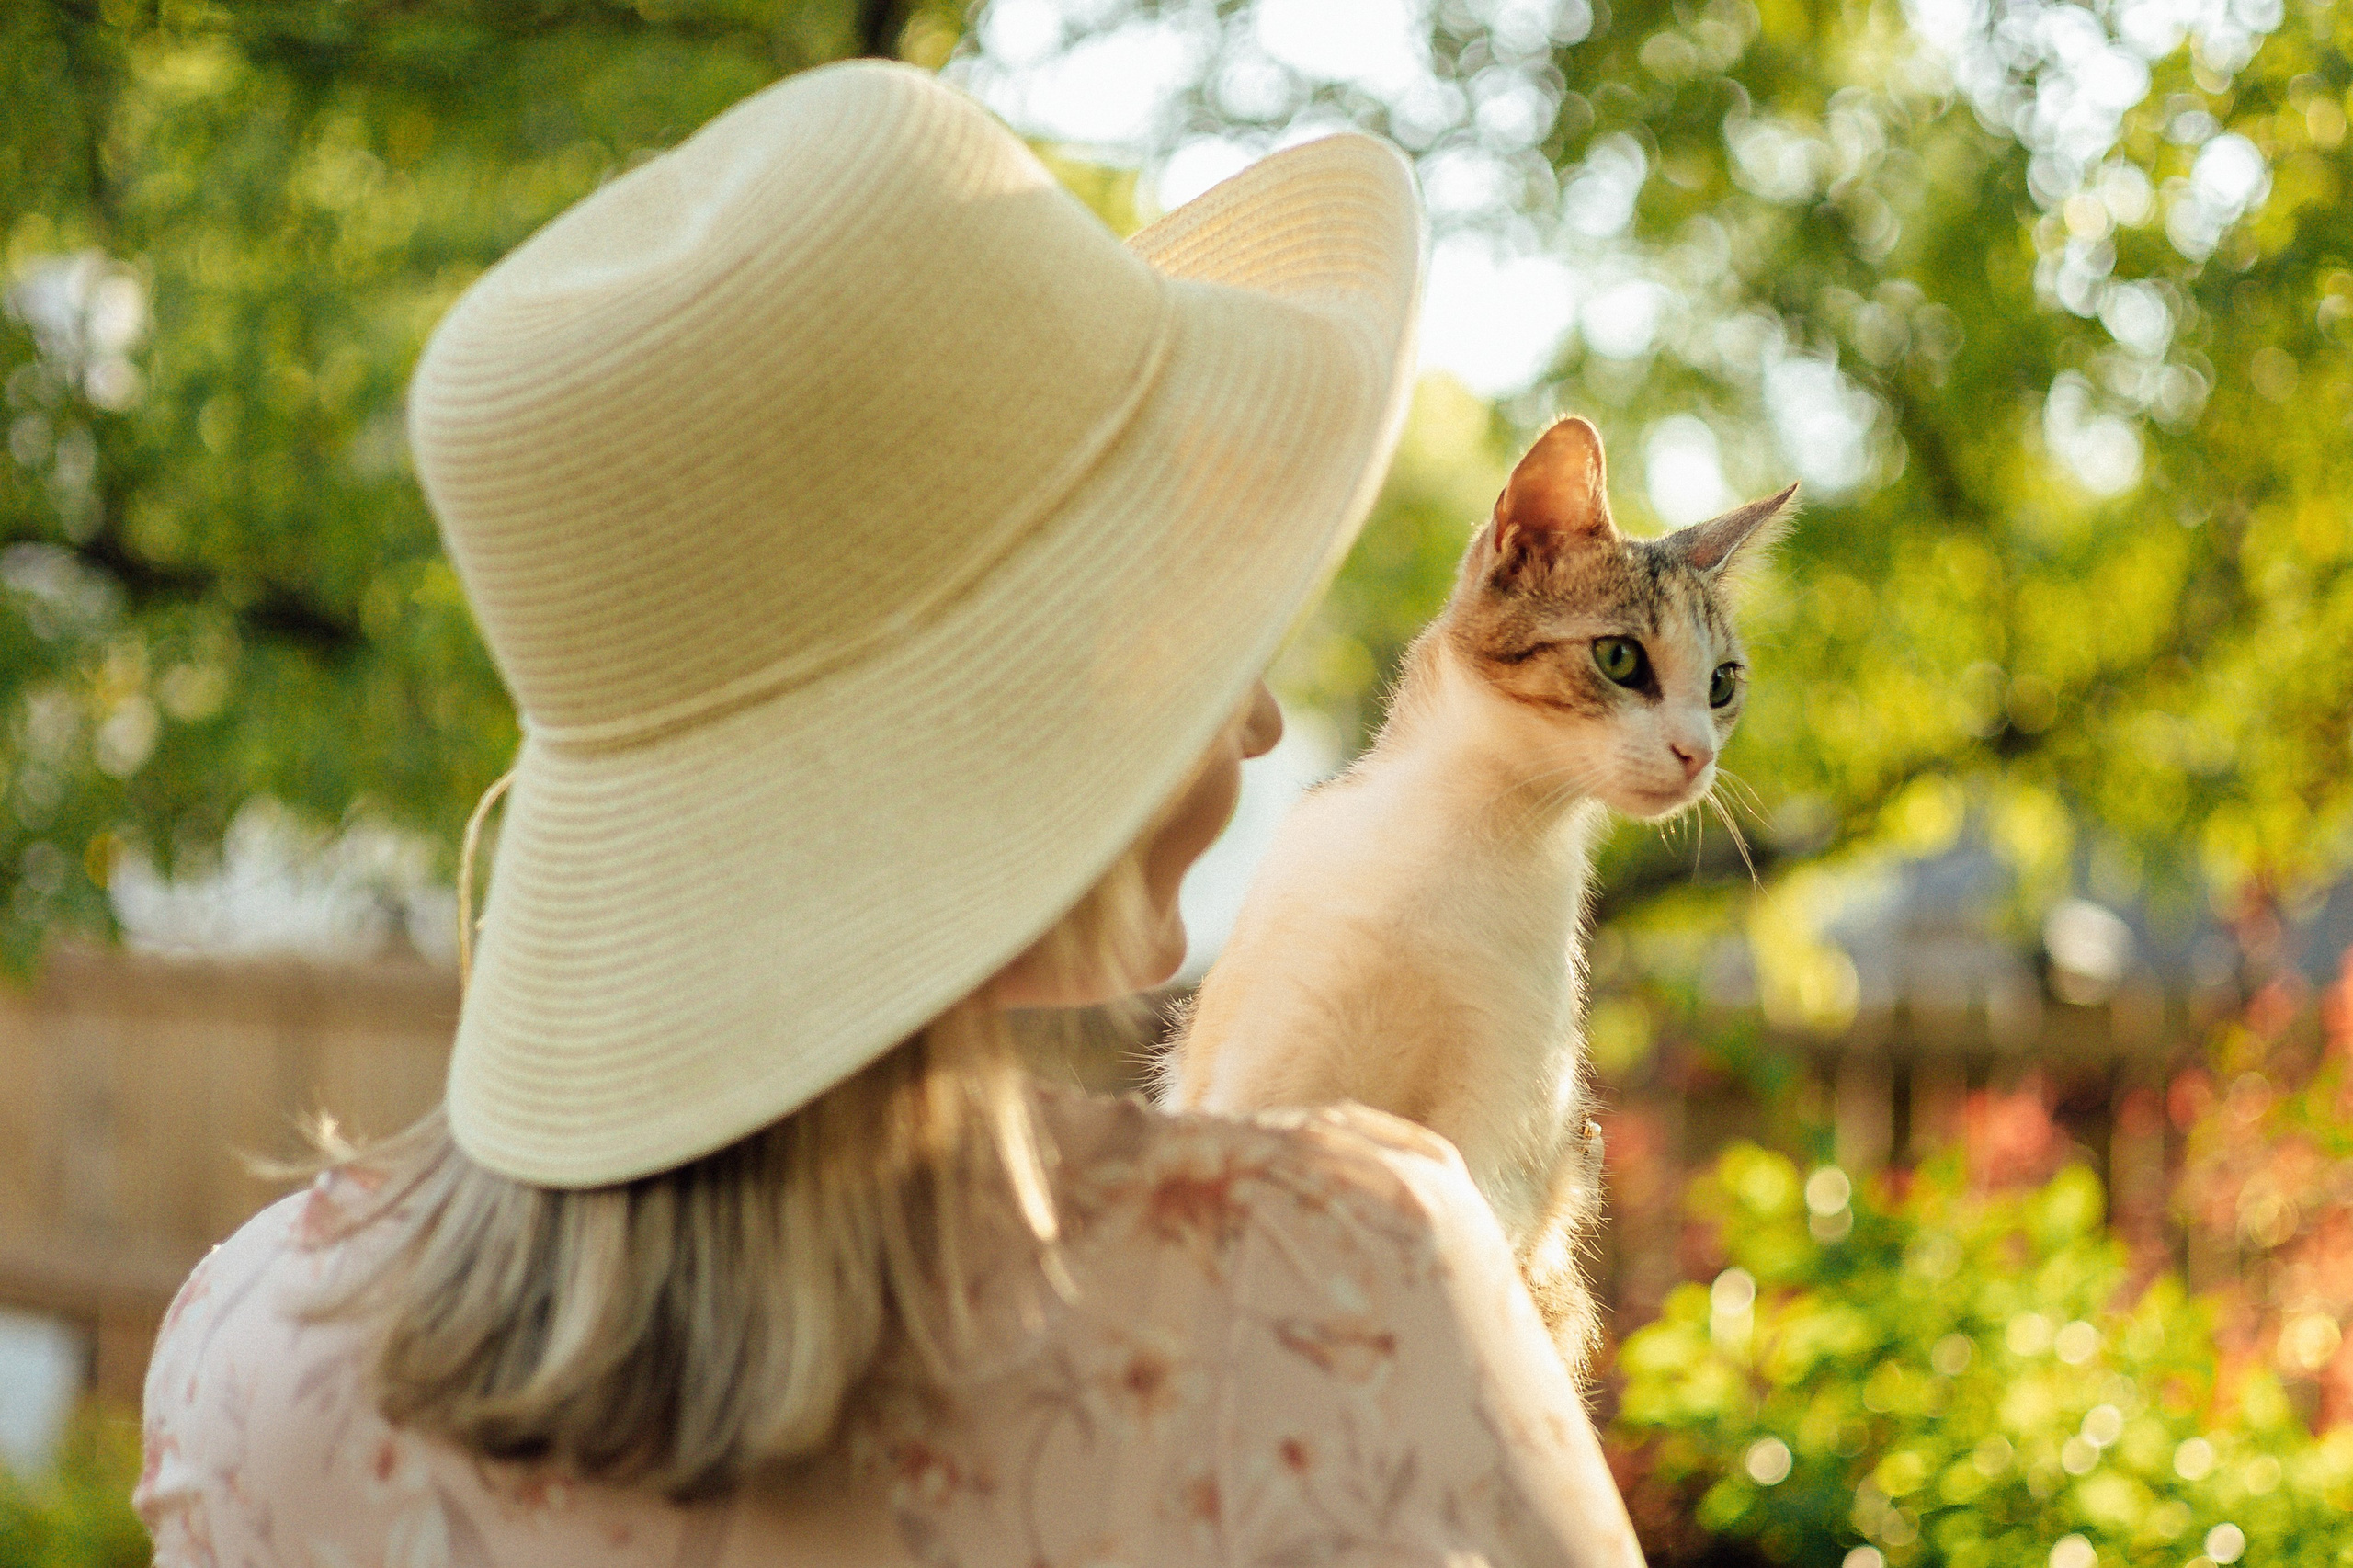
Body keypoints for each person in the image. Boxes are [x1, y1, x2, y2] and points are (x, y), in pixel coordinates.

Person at [135, 60, 1647, 1568]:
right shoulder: (1335, 1286)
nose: (1255, 716)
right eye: (1184, 614)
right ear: (1017, 722)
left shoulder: (250, 1358)